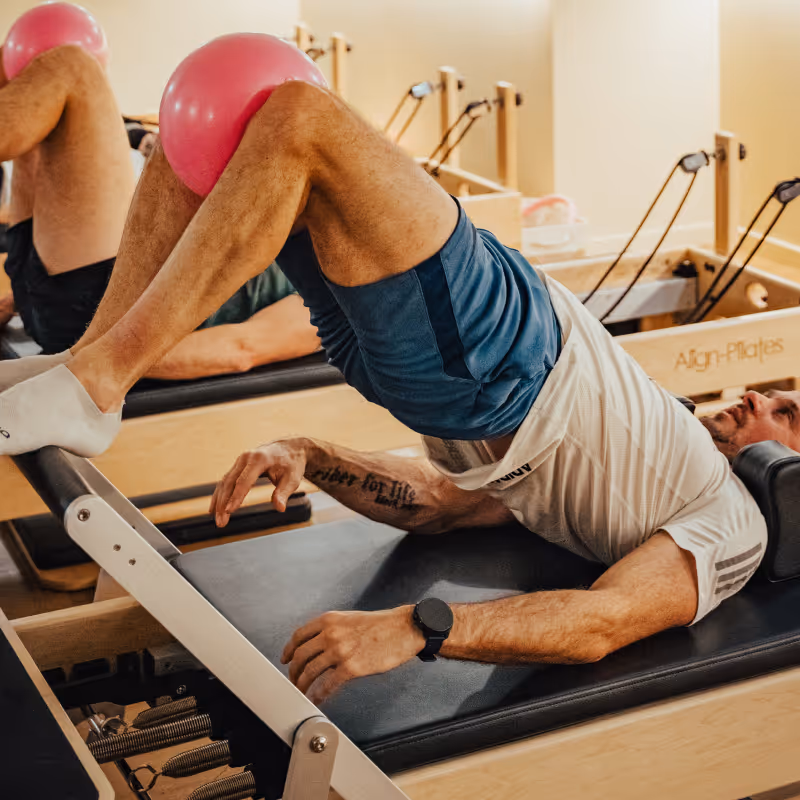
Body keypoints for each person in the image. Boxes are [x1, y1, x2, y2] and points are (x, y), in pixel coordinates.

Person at [0, 78, 786, 704]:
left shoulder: (733, 521)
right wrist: (309, 453)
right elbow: (444, 501)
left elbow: (601, 622)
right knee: (205, 129)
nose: (760, 400)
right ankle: (93, 362)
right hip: (436, 376)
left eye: (788, 413)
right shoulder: (643, 470)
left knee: (299, 112)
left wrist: (419, 626)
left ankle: (96, 381)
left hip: (505, 356)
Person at [0, 44, 319, 383]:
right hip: (58, 288)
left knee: (73, 67)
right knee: (20, 67)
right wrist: (20, 302)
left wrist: (77, 361)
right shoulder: (304, 235)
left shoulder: (337, 301)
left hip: (100, 310)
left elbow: (239, 349)